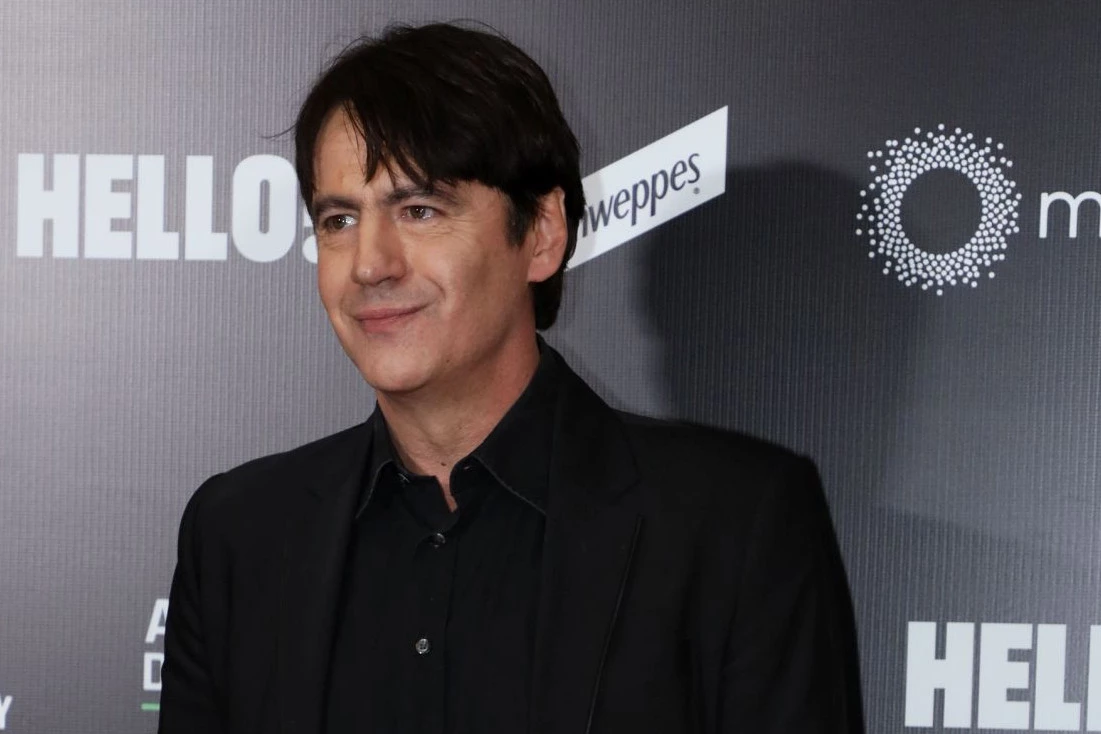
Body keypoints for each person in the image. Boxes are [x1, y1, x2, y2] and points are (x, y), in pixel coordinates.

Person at [158, 21, 864, 734]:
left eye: (419, 210)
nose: (370, 264)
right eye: (339, 220)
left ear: (542, 233)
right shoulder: (239, 535)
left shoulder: (734, 525)